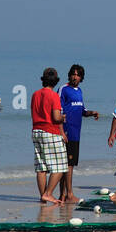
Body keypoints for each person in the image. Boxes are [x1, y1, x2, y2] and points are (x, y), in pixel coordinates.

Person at [58, 64, 101, 203]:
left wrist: (91, 112)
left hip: (76, 132)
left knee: (69, 165)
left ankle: (63, 195)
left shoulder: (79, 91)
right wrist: (61, 131)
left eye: (78, 75)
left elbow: (81, 110)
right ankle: (68, 194)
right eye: (73, 74)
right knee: (67, 165)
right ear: (69, 75)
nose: (75, 77)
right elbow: (57, 110)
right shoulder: (63, 89)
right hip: (66, 131)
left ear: (81, 77)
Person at [31, 68, 68, 205]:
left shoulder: (35, 94)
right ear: (56, 81)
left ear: (43, 80)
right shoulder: (54, 96)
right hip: (50, 131)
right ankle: (48, 193)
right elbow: (56, 117)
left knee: (41, 167)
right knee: (61, 166)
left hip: (36, 131)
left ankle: (43, 196)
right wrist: (63, 118)